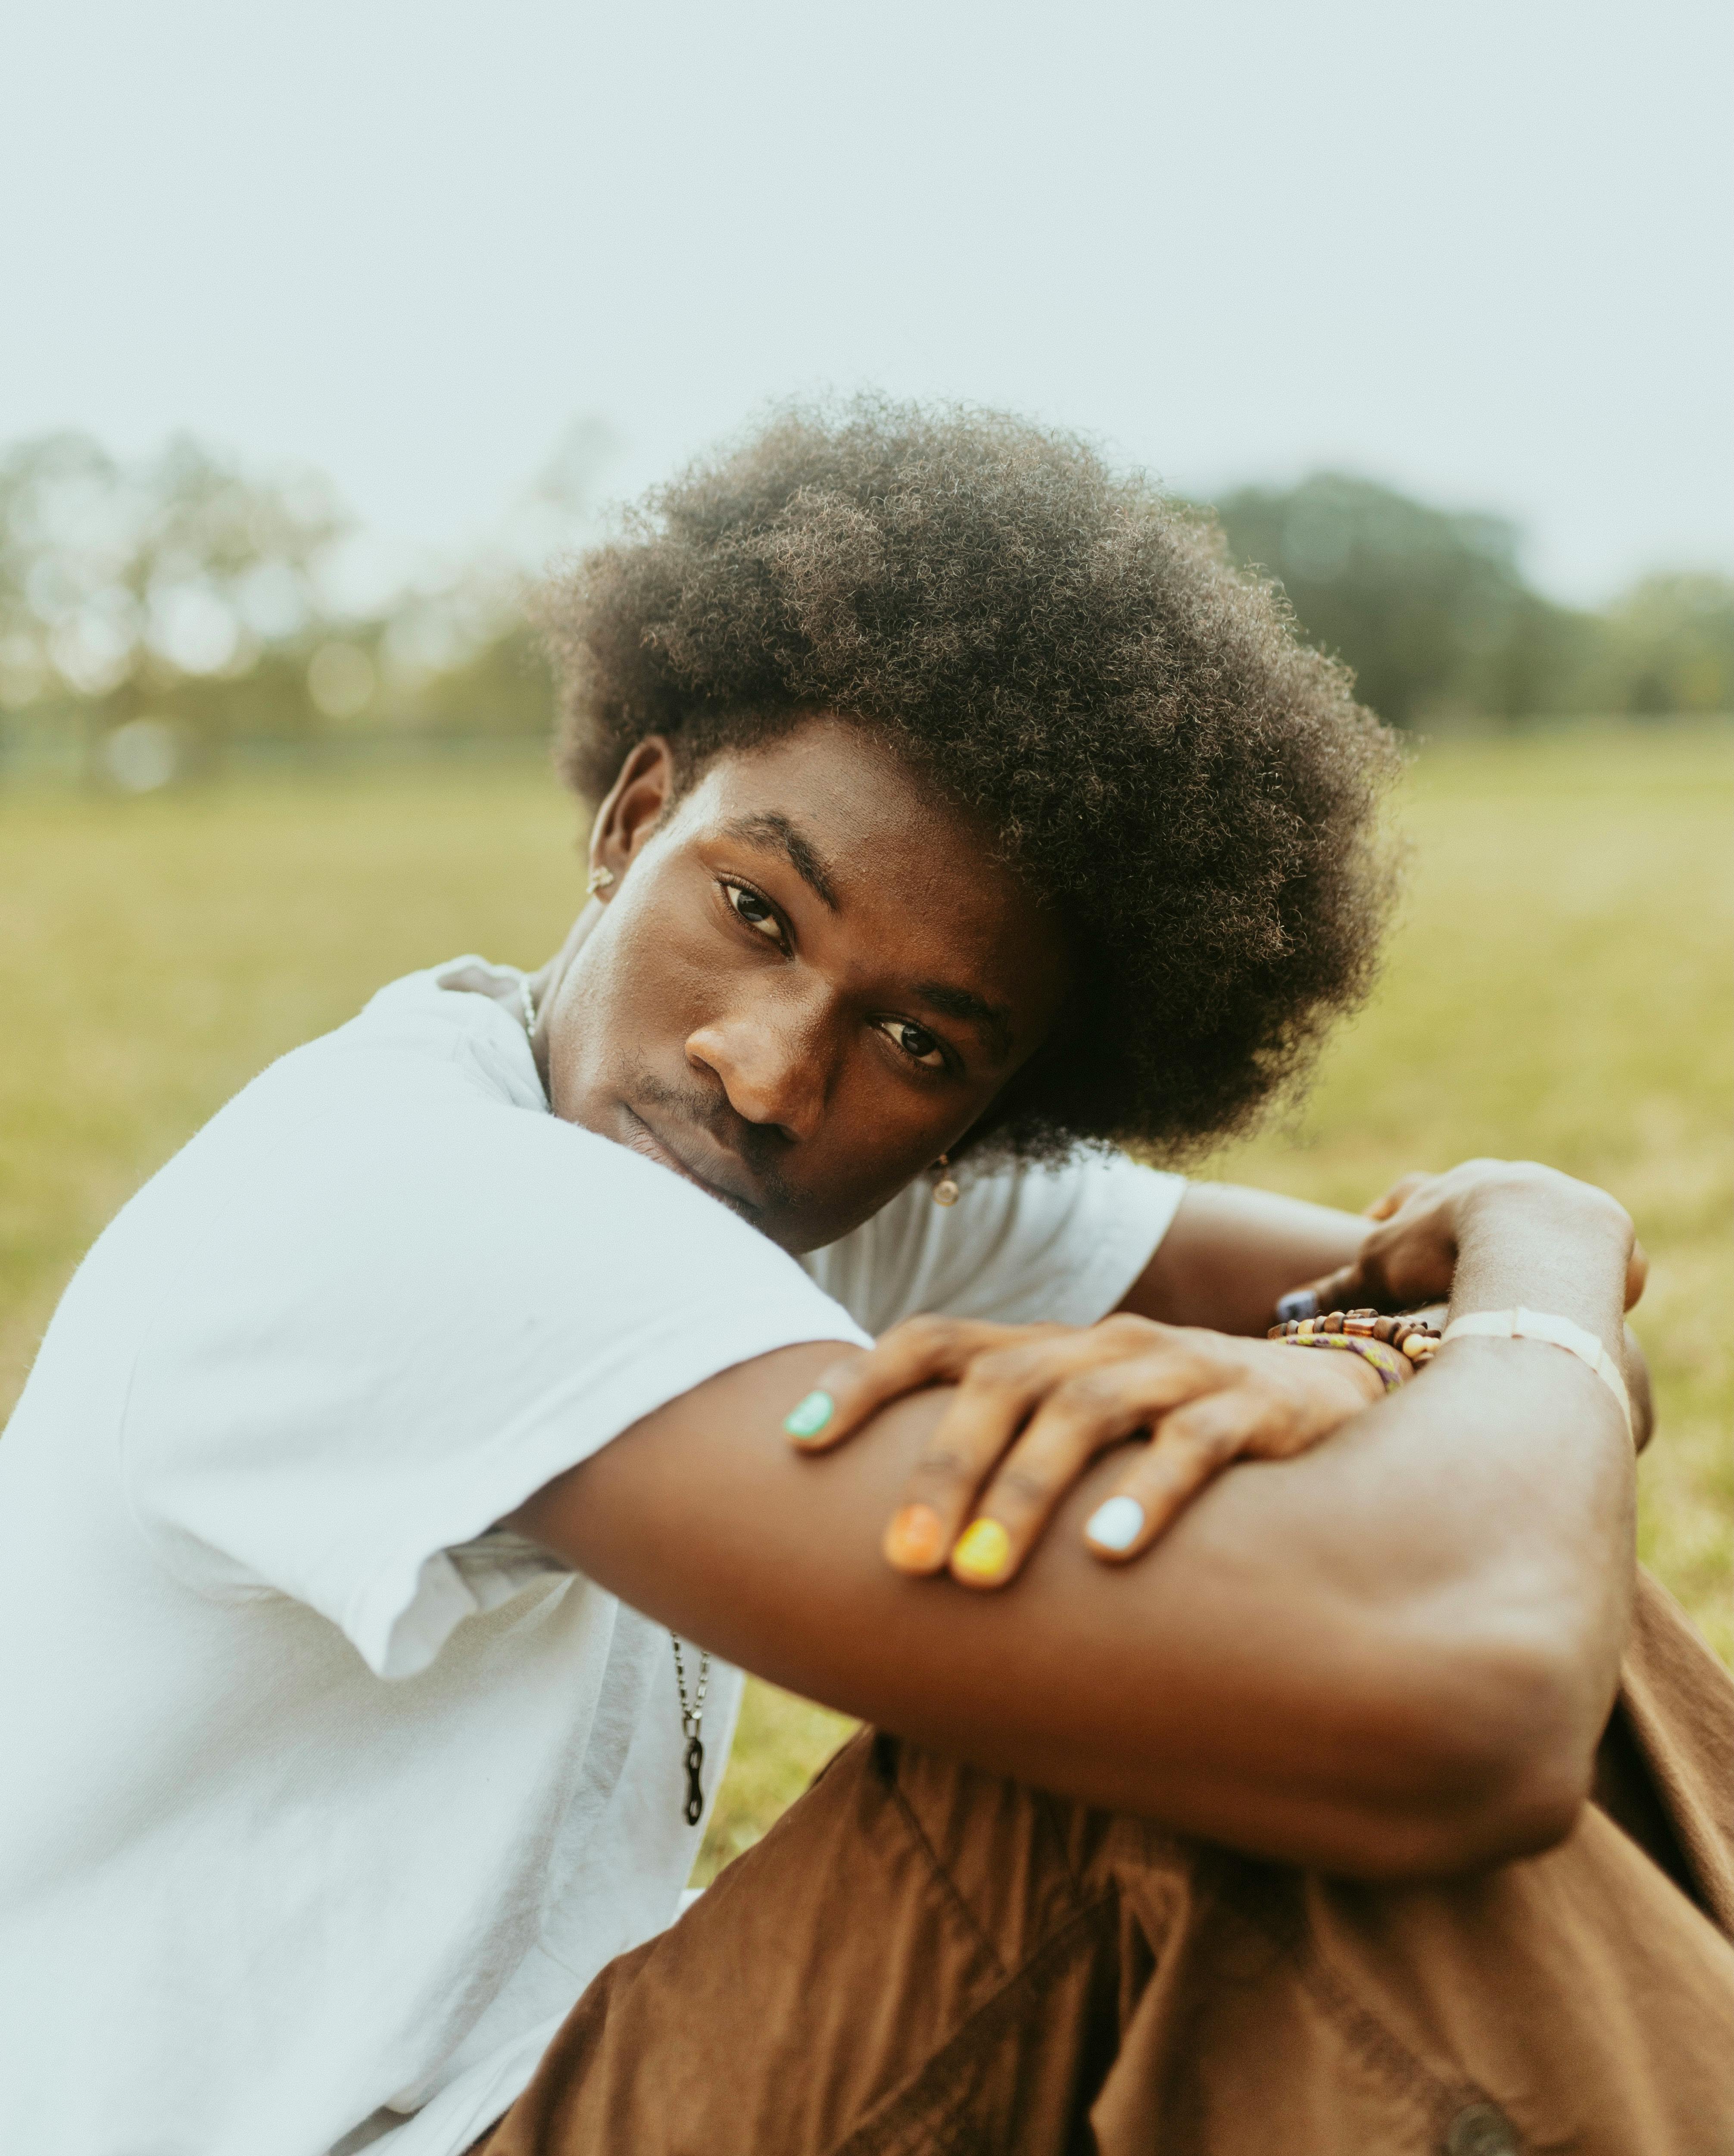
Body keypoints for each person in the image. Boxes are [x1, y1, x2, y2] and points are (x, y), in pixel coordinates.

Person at [0, 402, 1728, 2156]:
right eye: (754, 908)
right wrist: (1559, 1239)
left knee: (1466, 1573)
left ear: (995, 1105)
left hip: (550, 2088)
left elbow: (1528, 1409)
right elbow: (1459, 1696)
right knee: (1208, 1745)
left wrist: (1344, 1363)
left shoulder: (808, 1189)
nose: (767, 1069)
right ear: (636, 811)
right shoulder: (417, 1200)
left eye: (915, 1035)